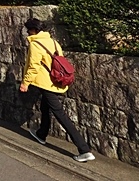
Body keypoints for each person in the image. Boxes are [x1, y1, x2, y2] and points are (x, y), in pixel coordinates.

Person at [19, 17, 96, 163]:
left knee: (60, 114)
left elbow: (33, 66)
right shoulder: (54, 42)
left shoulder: (35, 44)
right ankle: (41, 134)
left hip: (46, 84)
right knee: (45, 107)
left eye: (29, 30)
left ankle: (84, 149)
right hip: (57, 82)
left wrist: (25, 83)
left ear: (34, 30)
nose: (28, 33)